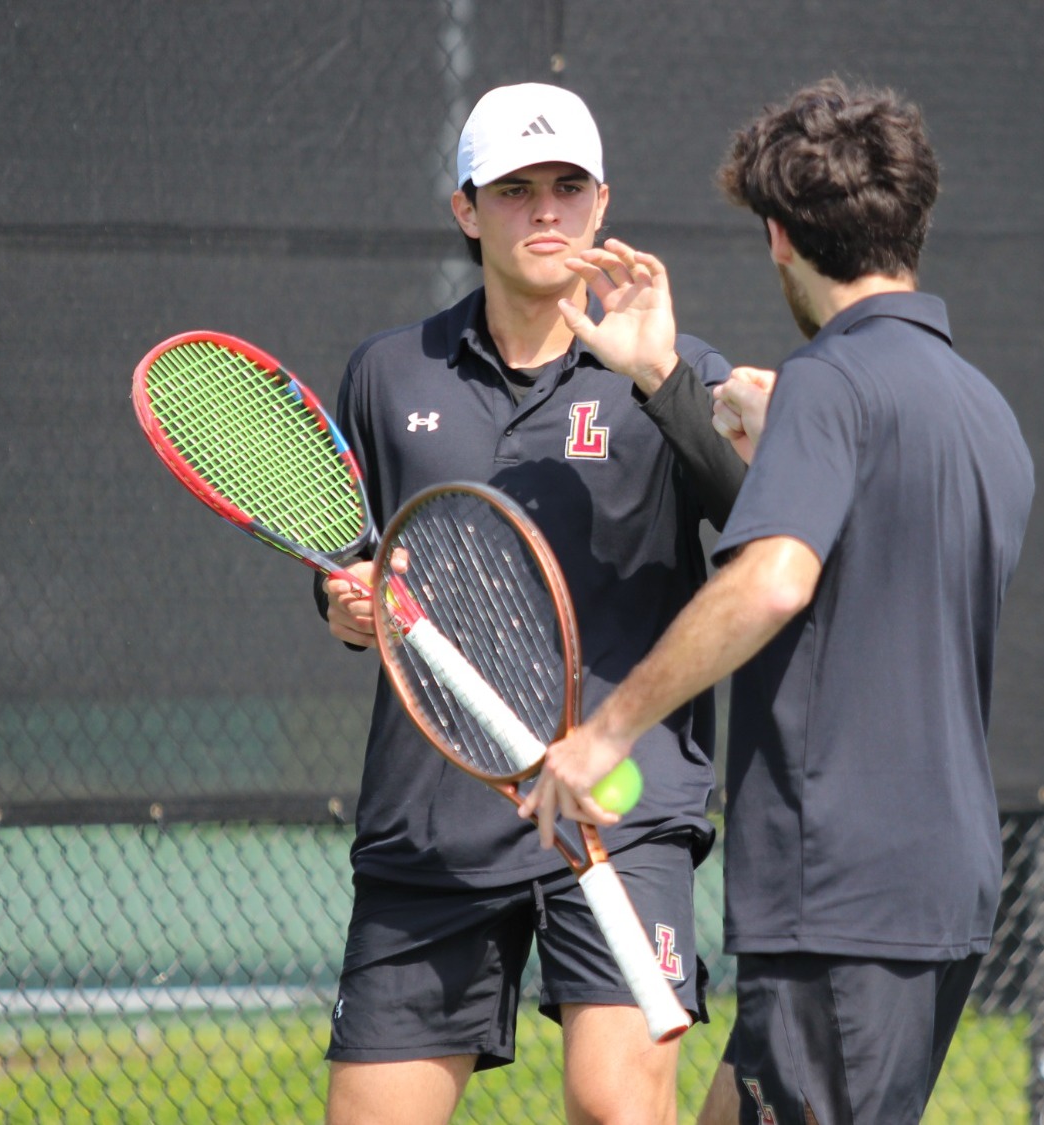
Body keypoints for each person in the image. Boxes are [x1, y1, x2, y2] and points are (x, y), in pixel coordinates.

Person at [521, 78, 1036, 1125]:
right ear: (913, 220)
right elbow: (871, 582)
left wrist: (605, 733)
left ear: (778, 239)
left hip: (839, 895)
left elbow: (775, 578)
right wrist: (680, 382)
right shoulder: (982, 411)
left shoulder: (827, 385)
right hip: (934, 887)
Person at [317, 82, 745, 1125]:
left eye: (565, 186)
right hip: (432, 820)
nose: (543, 210)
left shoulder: (674, 372)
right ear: (466, 208)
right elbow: (344, 567)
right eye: (514, 188)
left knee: (615, 1108)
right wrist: (346, 606)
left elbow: (762, 528)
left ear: (601, 202)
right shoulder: (386, 372)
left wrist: (656, 382)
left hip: (617, 811)